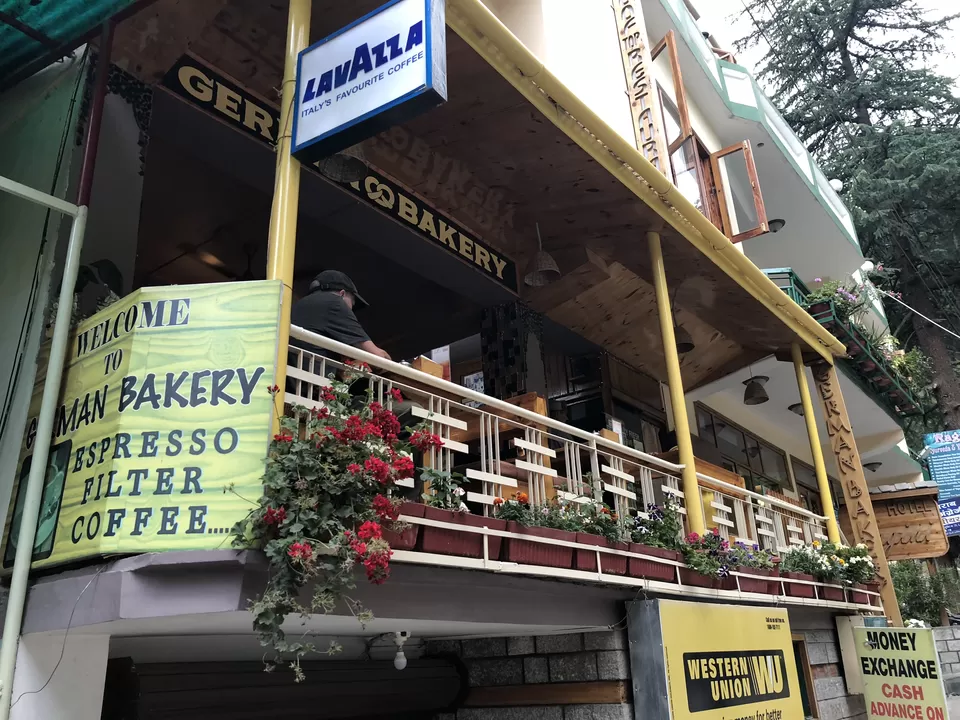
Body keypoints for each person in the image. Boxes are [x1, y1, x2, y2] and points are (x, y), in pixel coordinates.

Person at [291, 270, 390, 360]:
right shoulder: (335, 303)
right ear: (342, 294)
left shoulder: (296, 306)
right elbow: (378, 355)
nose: (350, 309)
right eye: (352, 303)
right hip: (311, 376)